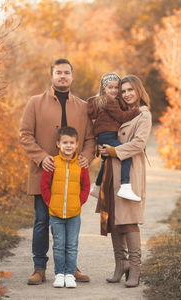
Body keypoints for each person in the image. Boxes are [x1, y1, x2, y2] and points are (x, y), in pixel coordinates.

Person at [19, 58, 95, 285]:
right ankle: (39, 268)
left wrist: (87, 157)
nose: (62, 76)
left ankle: (71, 267)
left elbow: (91, 139)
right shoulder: (34, 102)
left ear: (72, 76)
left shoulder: (82, 106)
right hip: (45, 174)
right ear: (51, 76)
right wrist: (42, 159)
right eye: (58, 72)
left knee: (69, 222)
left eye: (66, 73)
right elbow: (24, 134)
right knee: (42, 221)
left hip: (72, 177)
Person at [97, 74, 152, 288]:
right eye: (123, 91)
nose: (127, 94)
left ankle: (135, 269)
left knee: (129, 220)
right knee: (114, 220)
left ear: (139, 91)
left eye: (130, 90)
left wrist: (113, 150)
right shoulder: (120, 113)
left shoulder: (143, 115)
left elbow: (138, 143)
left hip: (131, 172)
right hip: (112, 169)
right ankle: (121, 265)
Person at [40, 127, 90, 288]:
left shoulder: (81, 164)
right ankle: (59, 274)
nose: (68, 146)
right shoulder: (53, 162)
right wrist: (51, 203)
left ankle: (70, 274)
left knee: (72, 245)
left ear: (77, 145)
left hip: (74, 213)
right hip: (56, 213)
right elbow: (44, 186)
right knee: (59, 244)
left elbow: (86, 186)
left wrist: (79, 202)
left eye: (71, 143)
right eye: (65, 142)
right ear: (58, 144)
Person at [87, 72, 140, 201]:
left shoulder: (101, 101)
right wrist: (138, 110)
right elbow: (122, 117)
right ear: (103, 89)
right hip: (108, 136)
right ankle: (125, 186)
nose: (114, 90)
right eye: (110, 87)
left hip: (103, 136)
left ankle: (96, 187)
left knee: (105, 163)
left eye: (116, 87)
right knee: (126, 155)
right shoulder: (110, 101)